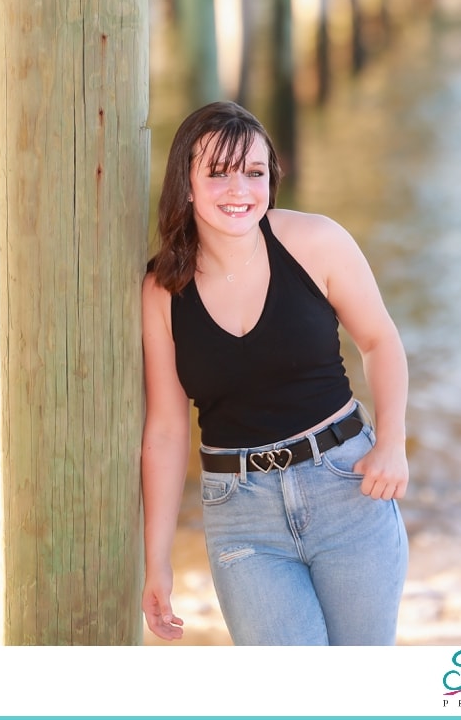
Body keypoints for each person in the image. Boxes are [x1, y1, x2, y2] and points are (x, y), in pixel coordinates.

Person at [140, 100, 410, 645]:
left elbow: (379, 341)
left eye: (254, 172)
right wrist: (157, 561)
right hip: (241, 516)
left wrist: (393, 443)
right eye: (217, 172)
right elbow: (167, 431)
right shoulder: (162, 291)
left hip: (346, 489)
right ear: (186, 185)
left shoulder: (316, 242)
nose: (239, 189)